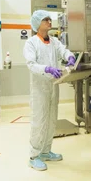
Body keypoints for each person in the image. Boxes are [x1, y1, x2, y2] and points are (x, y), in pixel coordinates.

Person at [23, 10, 75, 171]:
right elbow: (31, 64)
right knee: (39, 121)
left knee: (52, 119)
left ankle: (45, 151)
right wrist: (47, 68)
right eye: (46, 20)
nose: (49, 22)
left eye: (49, 19)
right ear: (38, 23)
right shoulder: (31, 43)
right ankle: (34, 155)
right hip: (40, 88)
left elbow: (63, 51)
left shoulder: (54, 41)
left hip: (53, 85)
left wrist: (70, 57)